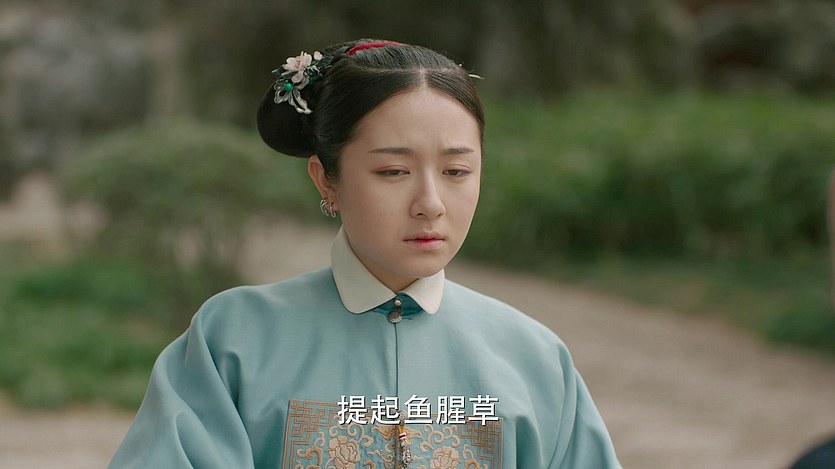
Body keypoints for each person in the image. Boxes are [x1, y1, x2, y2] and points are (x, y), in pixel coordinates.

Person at [109, 38, 621, 469]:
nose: (431, 203)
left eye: (456, 171)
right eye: (393, 171)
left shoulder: (534, 359)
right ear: (325, 178)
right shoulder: (233, 341)